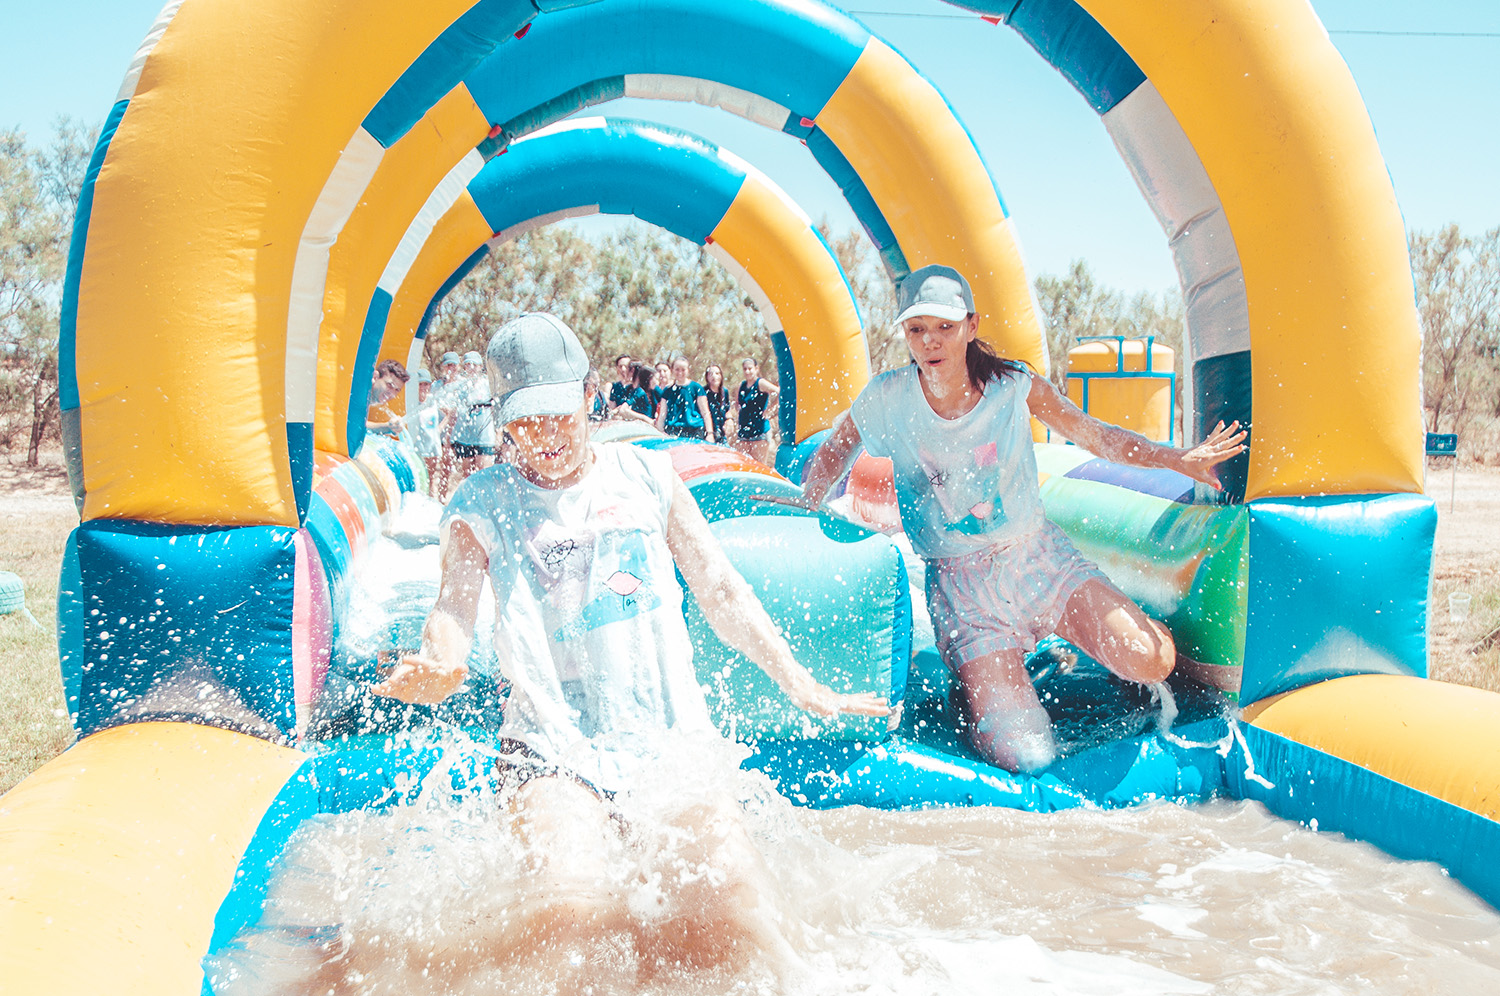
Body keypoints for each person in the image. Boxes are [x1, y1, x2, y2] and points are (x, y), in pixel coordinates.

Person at [372, 312, 886, 971]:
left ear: (590, 396)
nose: (545, 436)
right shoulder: (484, 498)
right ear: (500, 417)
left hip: (668, 743)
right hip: (549, 750)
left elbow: (721, 592)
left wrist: (798, 679)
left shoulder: (648, 476)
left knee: (738, 912)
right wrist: (441, 661)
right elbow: (453, 608)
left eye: (559, 413)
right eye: (525, 420)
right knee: (570, 911)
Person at [795, 264, 1246, 775]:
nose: (930, 343)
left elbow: (1092, 433)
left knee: (1148, 659)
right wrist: (804, 508)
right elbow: (835, 452)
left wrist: (1171, 458)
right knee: (1029, 756)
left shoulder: (1011, 386)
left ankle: (1145, 635)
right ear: (905, 334)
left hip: (1038, 559)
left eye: (944, 327)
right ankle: (971, 681)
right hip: (964, 590)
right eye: (917, 329)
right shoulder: (887, 398)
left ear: (970, 325)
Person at [449, 351, 496, 490]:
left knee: (484, 472)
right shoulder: (462, 386)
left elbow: (496, 407)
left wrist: (498, 431)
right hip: (465, 434)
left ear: (480, 366)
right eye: (467, 365)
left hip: (484, 434)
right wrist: (450, 435)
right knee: (467, 474)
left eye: (474, 364)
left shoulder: (488, 384)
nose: (471, 367)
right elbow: (455, 411)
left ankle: (486, 499)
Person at [404, 369, 447, 495]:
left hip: (432, 447)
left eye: (426, 384)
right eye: (420, 384)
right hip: (416, 447)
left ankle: (432, 504)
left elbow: (449, 414)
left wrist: (438, 430)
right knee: (417, 478)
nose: (423, 387)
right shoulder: (411, 402)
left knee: (431, 480)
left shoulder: (433, 400)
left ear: (430, 385)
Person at [430, 351, 464, 502]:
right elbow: (431, 404)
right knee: (439, 467)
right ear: (443, 367)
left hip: (459, 432)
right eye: (448, 365)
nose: (451, 368)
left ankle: (451, 498)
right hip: (440, 431)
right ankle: (438, 499)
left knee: (456, 468)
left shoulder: (463, 384)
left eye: (454, 365)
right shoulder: (437, 385)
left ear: (458, 366)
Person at [733, 357, 779, 466]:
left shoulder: (761, 383)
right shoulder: (742, 385)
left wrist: (770, 410)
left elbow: (778, 392)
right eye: (745, 369)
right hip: (744, 432)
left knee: (759, 466)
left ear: (756, 369)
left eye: (750, 368)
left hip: (760, 432)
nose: (747, 371)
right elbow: (737, 401)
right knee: (743, 465)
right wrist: (737, 409)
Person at [656, 356, 712, 439]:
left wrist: (710, 433)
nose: (680, 373)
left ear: (688, 370)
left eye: (683, 369)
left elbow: (705, 413)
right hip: (673, 431)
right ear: (672, 370)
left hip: (695, 430)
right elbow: (662, 415)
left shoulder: (697, 388)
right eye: (677, 369)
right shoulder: (667, 391)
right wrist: (660, 433)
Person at [365, 358, 409, 435]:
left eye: (397, 390)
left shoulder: (367, 399)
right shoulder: (359, 394)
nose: (392, 393)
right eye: (390, 385)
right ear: (375, 377)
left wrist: (388, 427)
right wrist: (386, 427)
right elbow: (354, 426)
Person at [704, 363, 731, 444]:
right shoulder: (703, 392)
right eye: (711, 374)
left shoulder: (724, 392)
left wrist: (730, 419)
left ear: (721, 376)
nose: (714, 376)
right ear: (707, 377)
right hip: (707, 434)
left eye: (717, 373)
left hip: (721, 435)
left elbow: (727, 409)